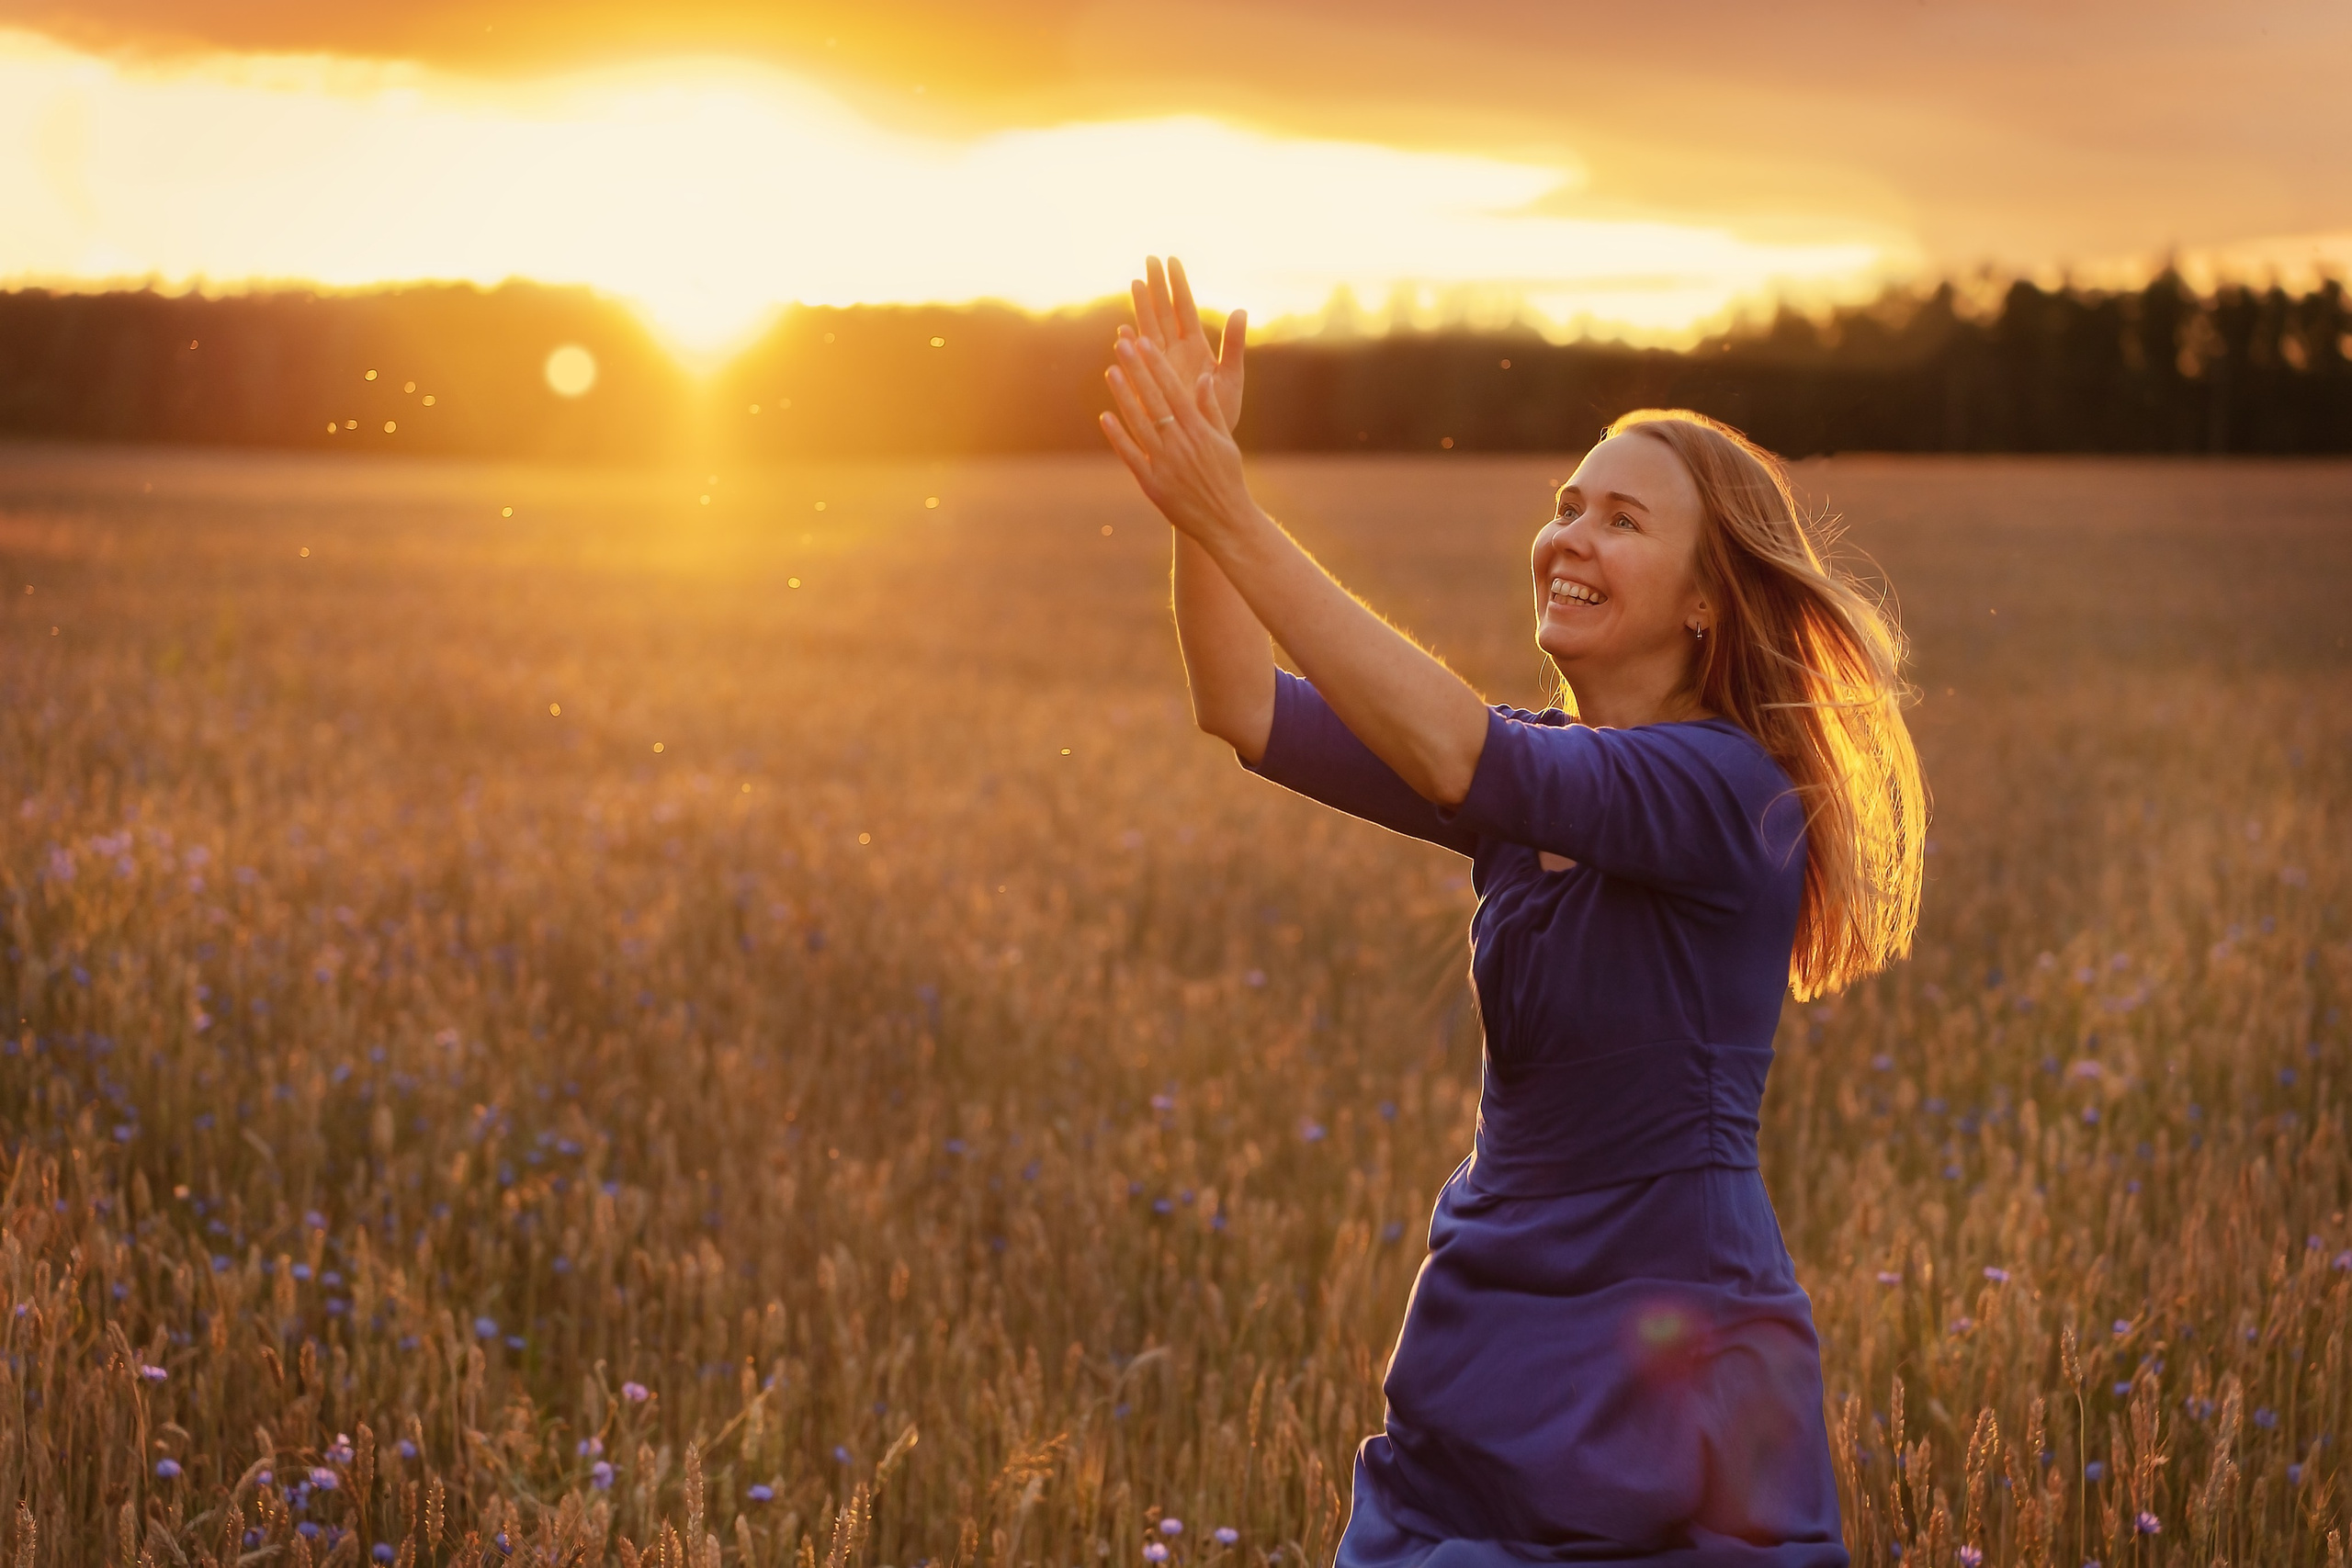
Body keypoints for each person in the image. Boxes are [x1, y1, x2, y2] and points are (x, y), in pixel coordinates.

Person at [1098, 258, 1925, 1566]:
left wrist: (1239, 515)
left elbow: (1456, 756)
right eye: (1566, 507)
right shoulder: (1527, 773)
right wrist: (1194, 502)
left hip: (1671, 1391)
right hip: (1485, 1354)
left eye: (1621, 522)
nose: (1570, 539)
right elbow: (1242, 705)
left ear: (1708, 601)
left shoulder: (1723, 790)